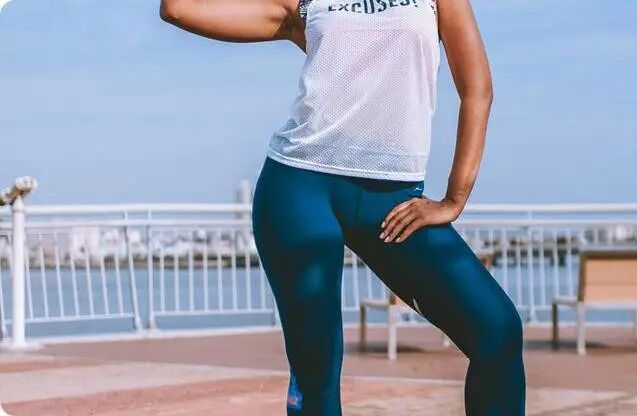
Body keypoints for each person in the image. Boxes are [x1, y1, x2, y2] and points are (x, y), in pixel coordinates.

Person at [159, 0, 526, 414]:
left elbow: (477, 88)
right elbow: (178, 9)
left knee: (497, 330)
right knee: (316, 372)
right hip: (300, 189)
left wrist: (454, 198)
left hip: (393, 201)